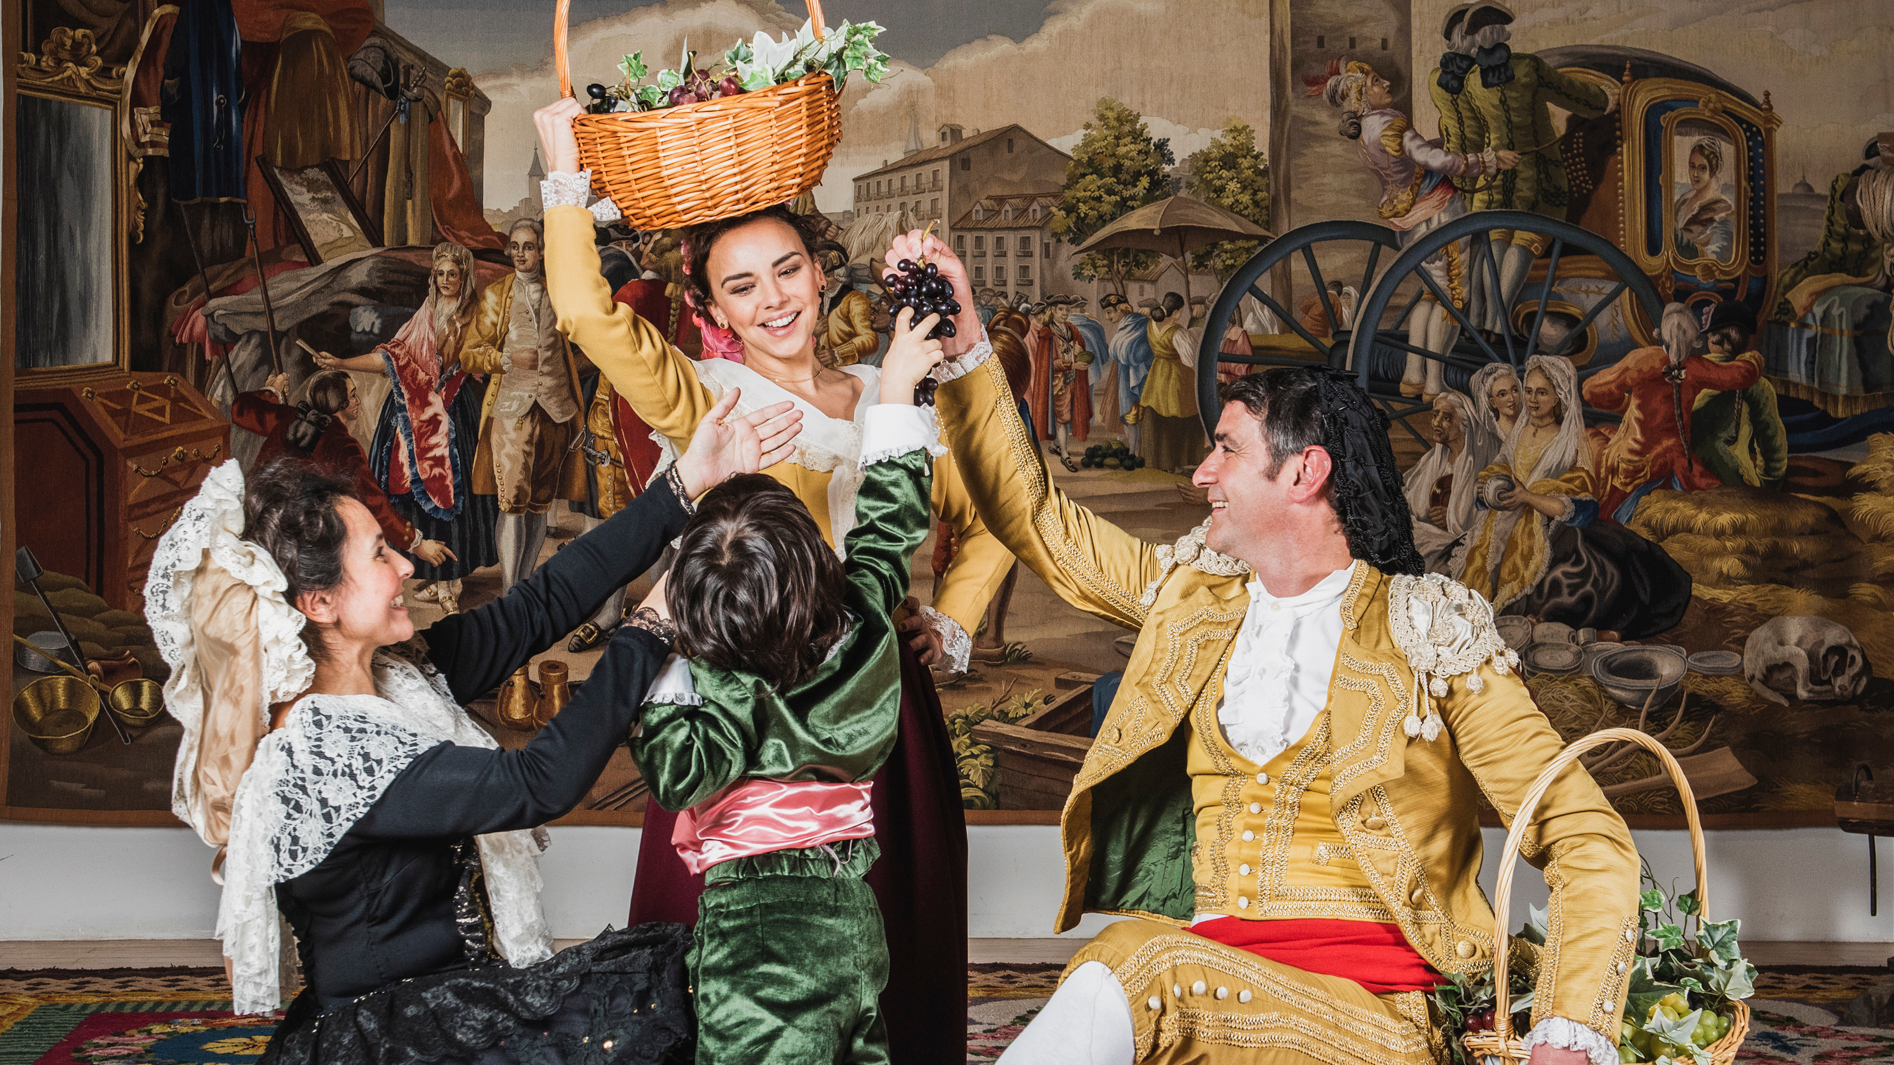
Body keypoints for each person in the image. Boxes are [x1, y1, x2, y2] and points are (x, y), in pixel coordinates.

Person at [914, 222, 1638, 1061]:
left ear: (1304, 472)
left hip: (1381, 1016)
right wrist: (966, 348)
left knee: (1134, 960)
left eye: (1225, 449)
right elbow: (1038, 519)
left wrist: (1569, 1028)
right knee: (1142, 960)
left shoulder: (1430, 629)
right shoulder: (1193, 599)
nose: (1201, 473)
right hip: (1214, 989)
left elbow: (1584, 834)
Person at [533, 97, 1005, 1065]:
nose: (775, 299)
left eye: (788, 269)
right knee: (727, 968)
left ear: (822, 273)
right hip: (737, 714)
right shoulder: (700, 397)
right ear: (710, 311)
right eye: (741, 286)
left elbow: (996, 515)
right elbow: (583, 311)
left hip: (876, 705)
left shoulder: (893, 388)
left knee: (895, 938)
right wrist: (563, 174)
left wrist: (949, 620)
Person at [147, 390, 804, 1064]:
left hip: (450, 1001)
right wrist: (651, 625)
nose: (405, 565)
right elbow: (539, 782)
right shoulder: (325, 751)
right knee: (665, 1001)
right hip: (392, 1037)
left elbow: (539, 606)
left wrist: (684, 484)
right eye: (380, 555)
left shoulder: (398, 675)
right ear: (319, 603)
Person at [629, 305, 942, 1063]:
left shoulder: (721, 678)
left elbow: (676, 771)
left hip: (757, 934)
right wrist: (896, 385)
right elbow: (888, 525)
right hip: (853, 916)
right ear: (814, 559)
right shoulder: (861, 621)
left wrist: (661, 629)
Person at [314, 241, 497, 614]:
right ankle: (436, 574)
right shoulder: (425, 314)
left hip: (454, 414)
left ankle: (451, 582)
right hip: (411, 413)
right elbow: (388, 359)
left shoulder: (475, 318)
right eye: (440, 274)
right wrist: (341, 362)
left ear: (464, 277)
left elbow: (487, 363)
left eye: (452, 274)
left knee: (453, 494)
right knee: (414, 495)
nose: (445, 280)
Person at [1322, 59, 1519, 399]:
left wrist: (1442, 141)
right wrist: (1485, 161)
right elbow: (1432, 160)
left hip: (1408, 222)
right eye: (1376, 81)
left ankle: (1413, 376)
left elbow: (1411, 159)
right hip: (1438, 215)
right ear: (1362, 96)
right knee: (1453, 298)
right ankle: (1435, 383)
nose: (1386, 84)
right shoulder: (1392, 124)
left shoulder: (1365, 132)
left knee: (1431, 295)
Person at [1461, 355, 1691, 637]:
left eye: (1542, 393)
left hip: (1553, 527)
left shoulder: (1568, 441)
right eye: (1528, 391)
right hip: (1509, 521)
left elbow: (1583, 505)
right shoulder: (1521, 431)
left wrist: (1528, 497)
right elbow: (1502, 466)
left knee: (1582, 583)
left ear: (1558, 397)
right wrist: (1488, 485)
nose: (1531, 400)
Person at [1434, 3, 1614, 337]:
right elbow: (1577, 97)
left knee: (1496, 246)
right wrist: (1605, 101)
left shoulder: (1470, 81)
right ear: (1502, 33)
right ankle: (1498, 326)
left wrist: (1476, 167)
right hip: (1540, 177)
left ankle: (1484, 326)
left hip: (1493, 180)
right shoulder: (1529, 68)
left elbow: (1472, 136)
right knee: (1525, 244)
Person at [459, 218, 590, 593]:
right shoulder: (496, 296)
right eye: (515, 247)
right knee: (512, 503)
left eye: (528, 247)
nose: (520, 254)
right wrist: (505, 359)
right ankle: (508, 590)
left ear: (541, 251)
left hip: (555, 411)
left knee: (539, 505)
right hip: (511, 412)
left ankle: (524, 586)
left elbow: (583, 344)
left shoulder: (560, 294)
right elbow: (470, 354)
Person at [230, 370, 454, 569]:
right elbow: (375, 504)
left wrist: (272, 390)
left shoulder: (288, 416)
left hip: (253, 516)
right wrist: (416, 543)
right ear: (341, 404)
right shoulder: (344, 447)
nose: (358, 401)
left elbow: (240, 409)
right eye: (353, 395)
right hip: (287, 539)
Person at [1582, 303, 1762, 523]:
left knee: (1594, 435)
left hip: (1633, 462)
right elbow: (1740, 375)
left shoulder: (1642, 359)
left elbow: (1592, 391)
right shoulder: (1695, 367)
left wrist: (1624, 404)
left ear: (1661, 334)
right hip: (1675, 459)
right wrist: (1753, 359)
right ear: (1694, 340)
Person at [1404, 389, 1502, 576]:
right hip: (1429, 532)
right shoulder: (1434, 459)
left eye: (1446, 418)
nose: (1436, 423)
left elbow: (1489, 516)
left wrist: (1450, 517)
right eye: (1435, 415)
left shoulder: (1482, 462)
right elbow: (1411, 496)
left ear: (1465, 423)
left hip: (1459, 541)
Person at [1691, 300, 1787, 490]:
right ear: (1744, 341)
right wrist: (1770, 485)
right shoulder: (1757, 384)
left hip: (1684, 482)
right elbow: (1772, 445)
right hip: (1738, 485)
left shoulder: (1687, 374)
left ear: (1711, 338)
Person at [1138, 291, 1204, 472]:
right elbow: (1190, 360)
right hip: (1177, 378)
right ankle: (1180, 462)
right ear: (1175, 312)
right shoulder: (1178, 332)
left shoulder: (1151, 325)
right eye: (1180, 312)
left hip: (1157, 375)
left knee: (1158, 415)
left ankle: (1158, 463)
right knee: (1180, 415)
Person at [1028, 296, 1094, 469]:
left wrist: (1078, 350)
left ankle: (1054, 445)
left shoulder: (1071, 329)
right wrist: (1073, 364)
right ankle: (1065, 454)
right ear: (1052, 311)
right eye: (1061, 309)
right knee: (1063, 419)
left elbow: (1075, 350)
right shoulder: (1047, 333)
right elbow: (1050, 363)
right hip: (1056, 383)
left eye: (1067, 310)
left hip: (1071, 379)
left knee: (1064, 416)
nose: (1065, 313)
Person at [1100, 294, 1155, 457]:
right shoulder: (1125, 324)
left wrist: (1121, 350)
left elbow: (1137, 353)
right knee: (1130, 415)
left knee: (1138, 415)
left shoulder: (1140, 323)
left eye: (1109, 312)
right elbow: (1116, 350)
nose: (1107, 317)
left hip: (1139, 375)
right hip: (1125, 375)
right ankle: (1133, 451)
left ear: (1120, 309)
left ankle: (1137, 452)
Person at [1674, 139, 1736, 262]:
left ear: (1712, 171)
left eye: (1702, 168)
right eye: (1692, 167)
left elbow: (1719, 253)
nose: (1695, 174)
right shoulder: (1682, 201)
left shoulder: (1723, 208)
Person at [1469, 361, 1522, 440]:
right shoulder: (1491, 439)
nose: (1511, 398)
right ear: (1493, 402)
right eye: (1503, 394)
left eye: (1514, 390)